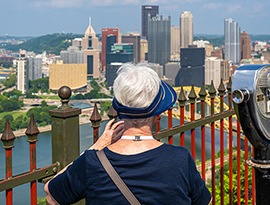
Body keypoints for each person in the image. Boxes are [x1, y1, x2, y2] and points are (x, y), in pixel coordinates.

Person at [44, 63, 211, 205]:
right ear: (158, 114)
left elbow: (51, 195)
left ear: (118, 107)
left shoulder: (91, 162)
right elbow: (205, 202)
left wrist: (97, 146)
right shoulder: (180, 159)